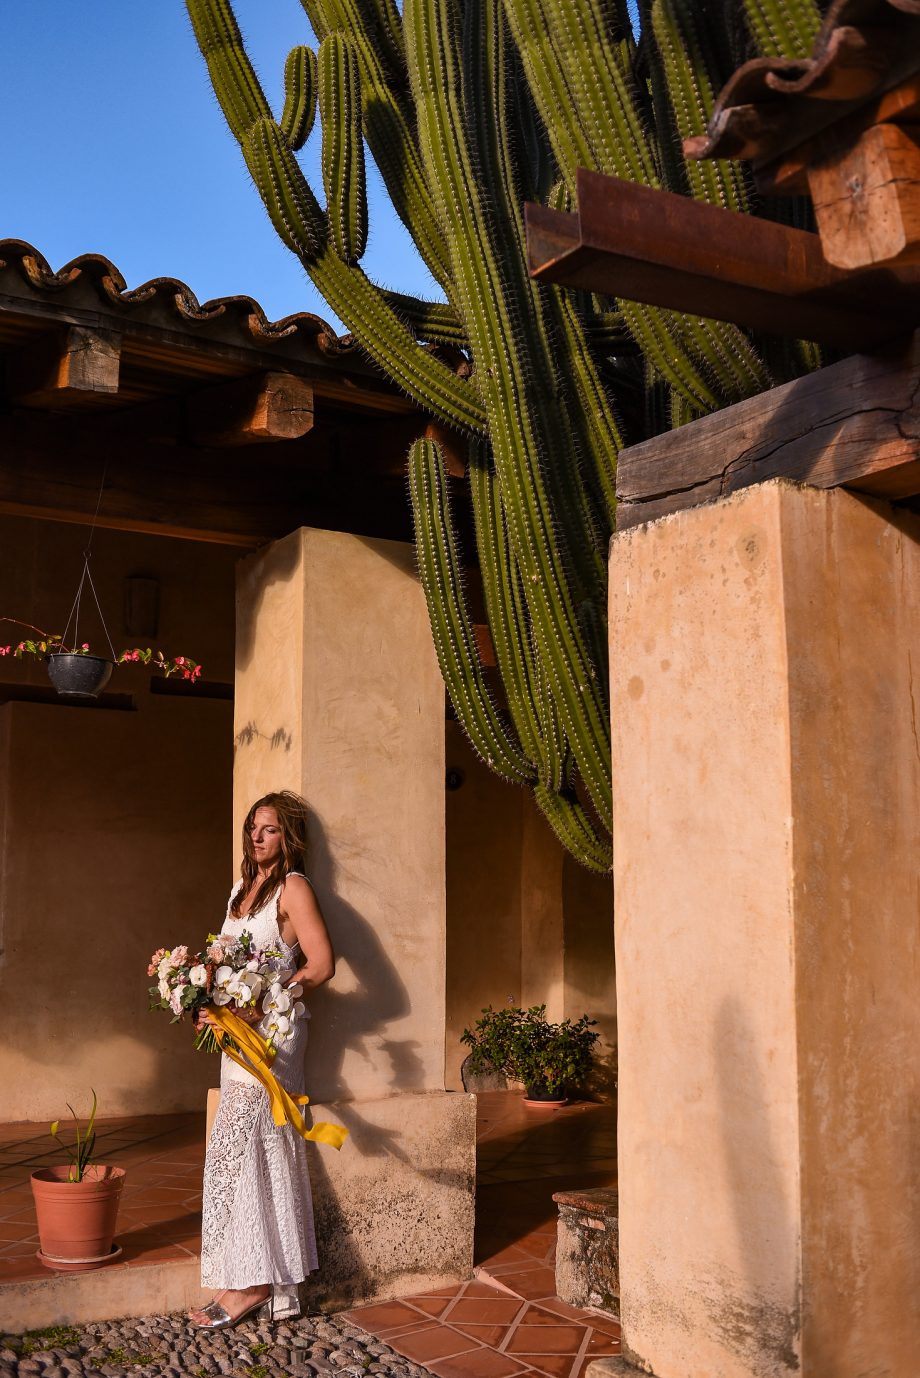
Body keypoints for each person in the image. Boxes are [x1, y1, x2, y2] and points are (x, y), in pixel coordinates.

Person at [188, 790, 335, 1329]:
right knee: (232, 1153)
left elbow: (321, 965)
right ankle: (255, 1276)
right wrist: (204, 999)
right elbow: (223, 961)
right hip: (236, 1036)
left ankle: (250, 1286)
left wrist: (266, 998)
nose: (256, 836)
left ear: (288, 837)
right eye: (253, 826)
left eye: (269, 828)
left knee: (249, 1147)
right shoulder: (239, 891)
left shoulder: (294, 889)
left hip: (273, 1037)